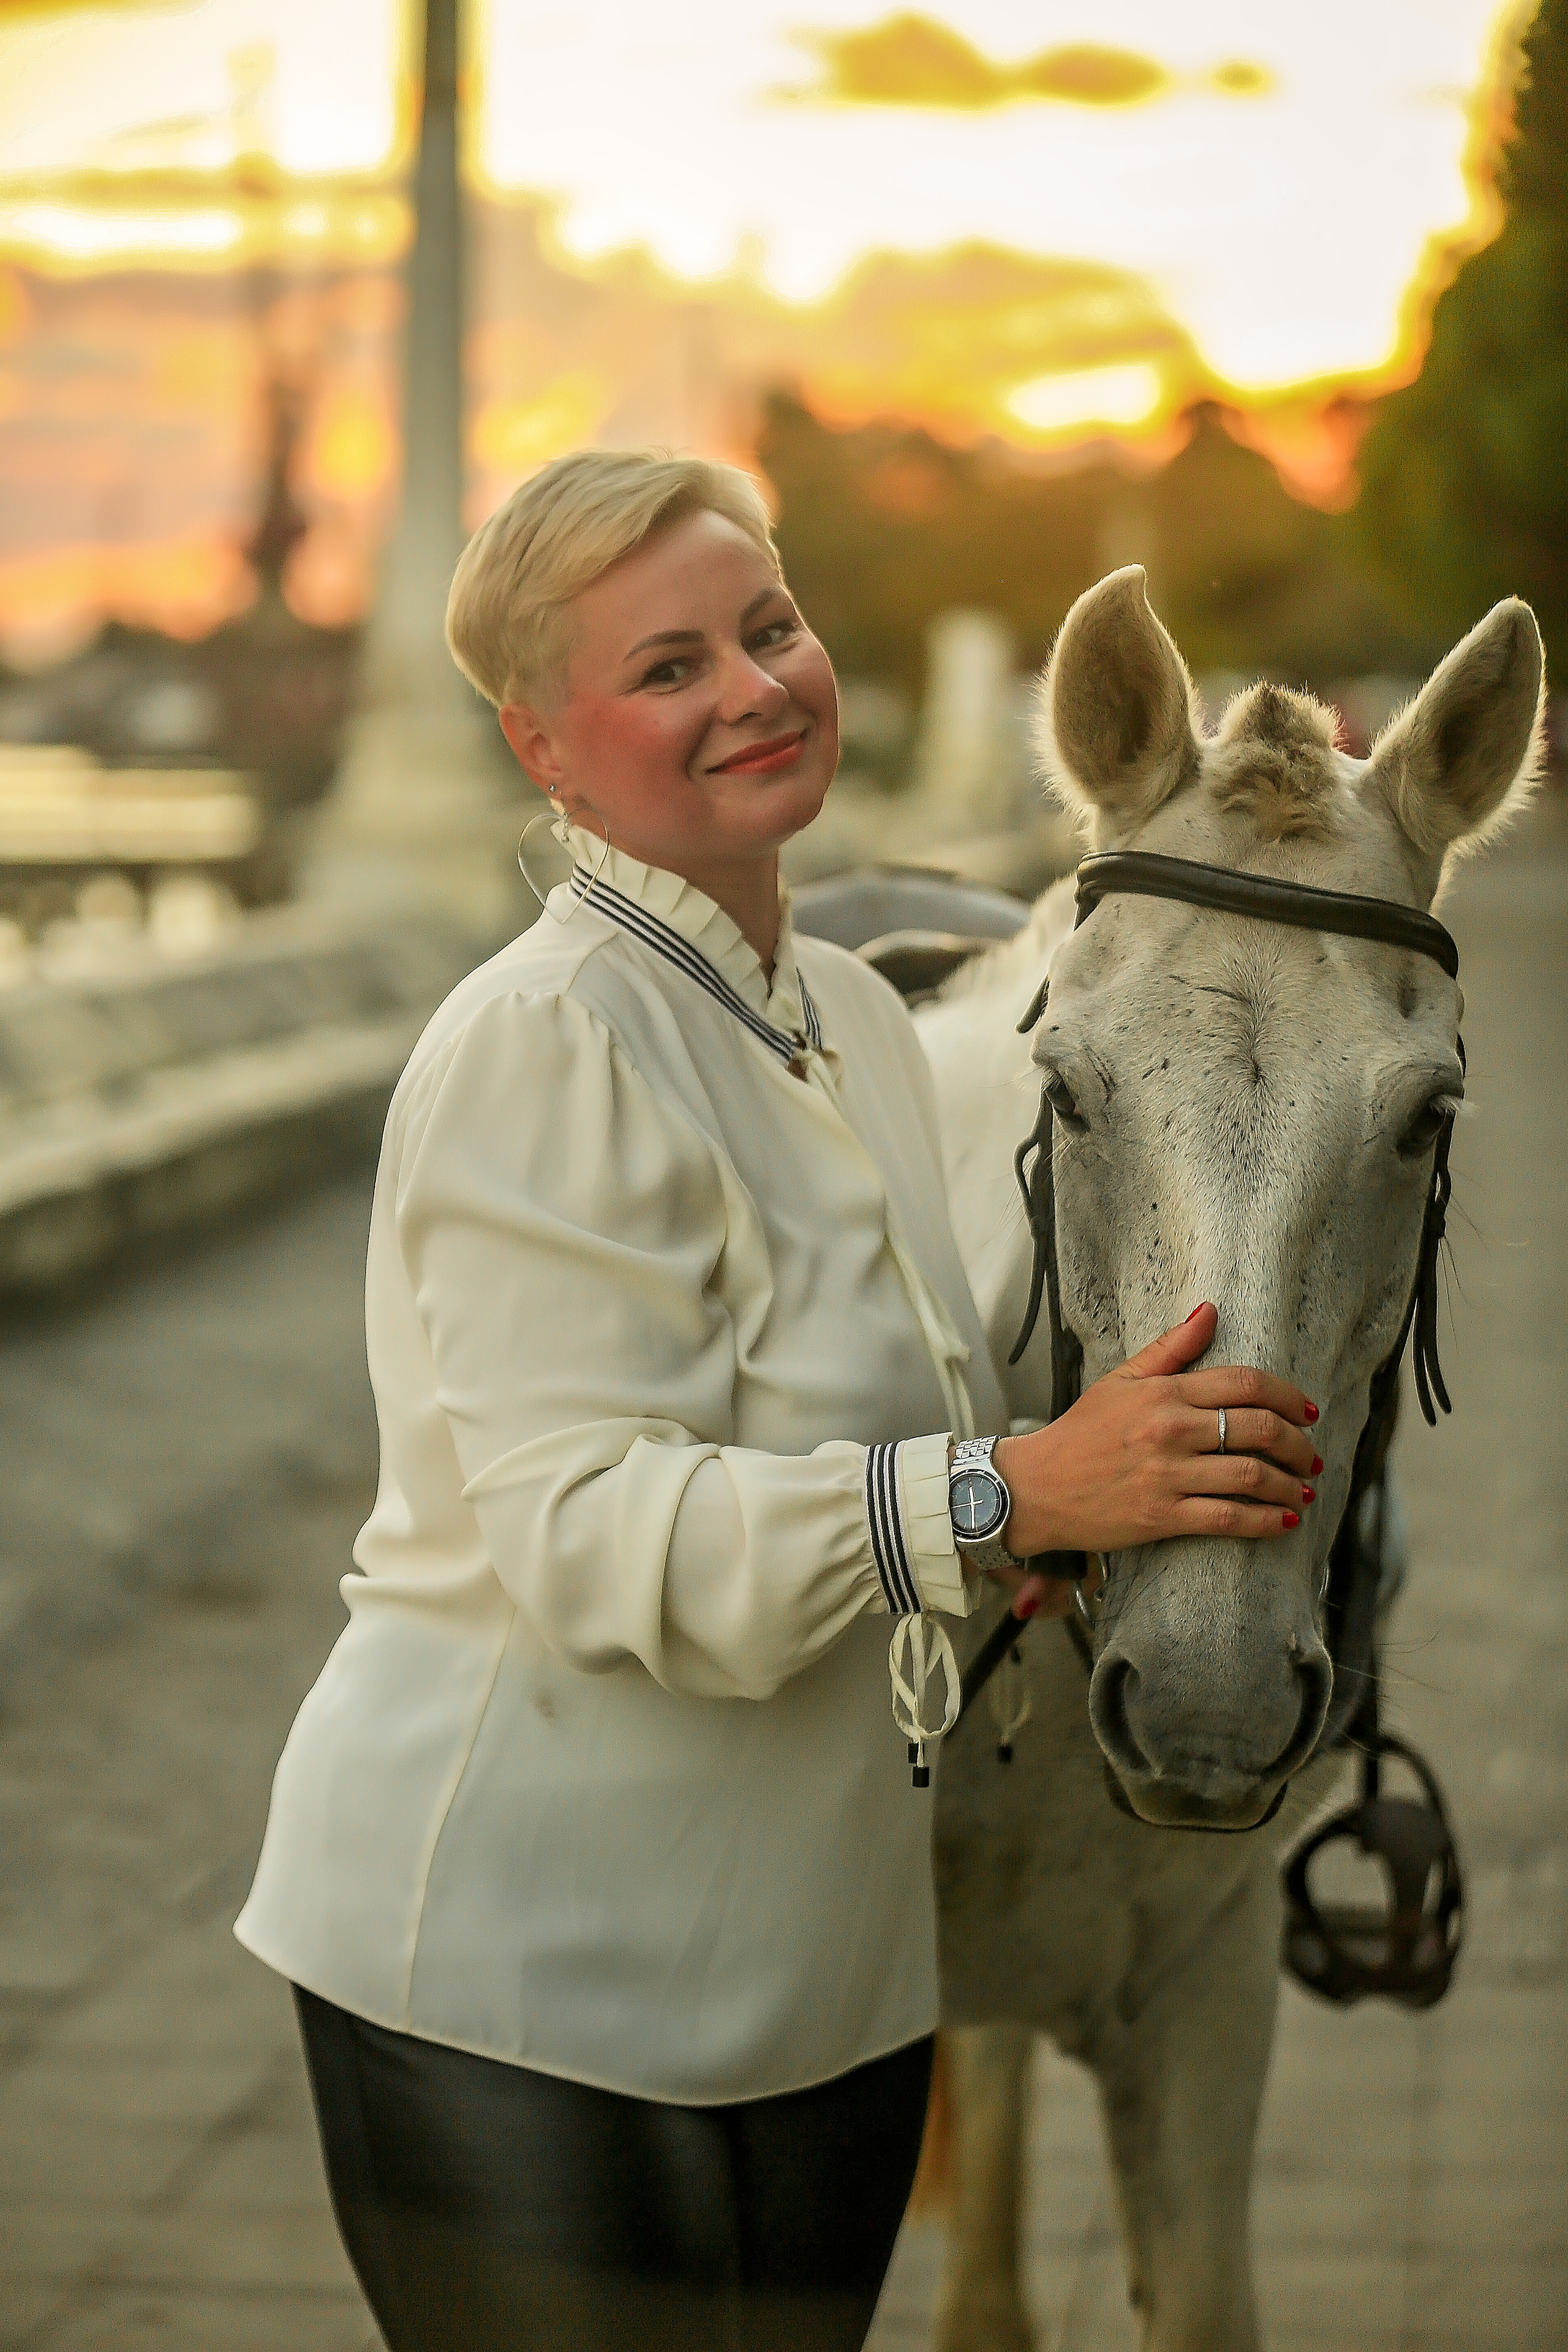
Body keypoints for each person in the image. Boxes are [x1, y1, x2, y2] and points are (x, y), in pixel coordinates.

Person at [235, 450, 1321, 2351]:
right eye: (666, 668)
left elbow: (894, 1456)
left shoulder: (866, 1021)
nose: (753, 685)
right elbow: (587, 1545)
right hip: (520, 1978)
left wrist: (1071, 1529)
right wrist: (1002, 1499)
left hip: (825, 1987)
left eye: (771, 627)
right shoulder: (546, 1041)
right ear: (542, 747)